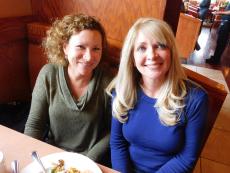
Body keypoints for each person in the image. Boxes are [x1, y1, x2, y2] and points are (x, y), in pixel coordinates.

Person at [106, 18, 208, 173]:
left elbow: (187, 158)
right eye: (141, 48)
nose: (152, 55)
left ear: (171, 53)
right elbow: (117, 143)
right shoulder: (122, 90)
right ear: (132, 58)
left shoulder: (196, 99)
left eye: (160, 46)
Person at [24, 14, 112, 164]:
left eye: (96, 48)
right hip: (51, 157)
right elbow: (34, 125)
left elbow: (112, 132)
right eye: (81, 47)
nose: (89, 56)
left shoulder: (107, 82)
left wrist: (88, 161)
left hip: (90, 161)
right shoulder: (49, 74)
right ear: (65, 47)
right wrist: (30, 159)